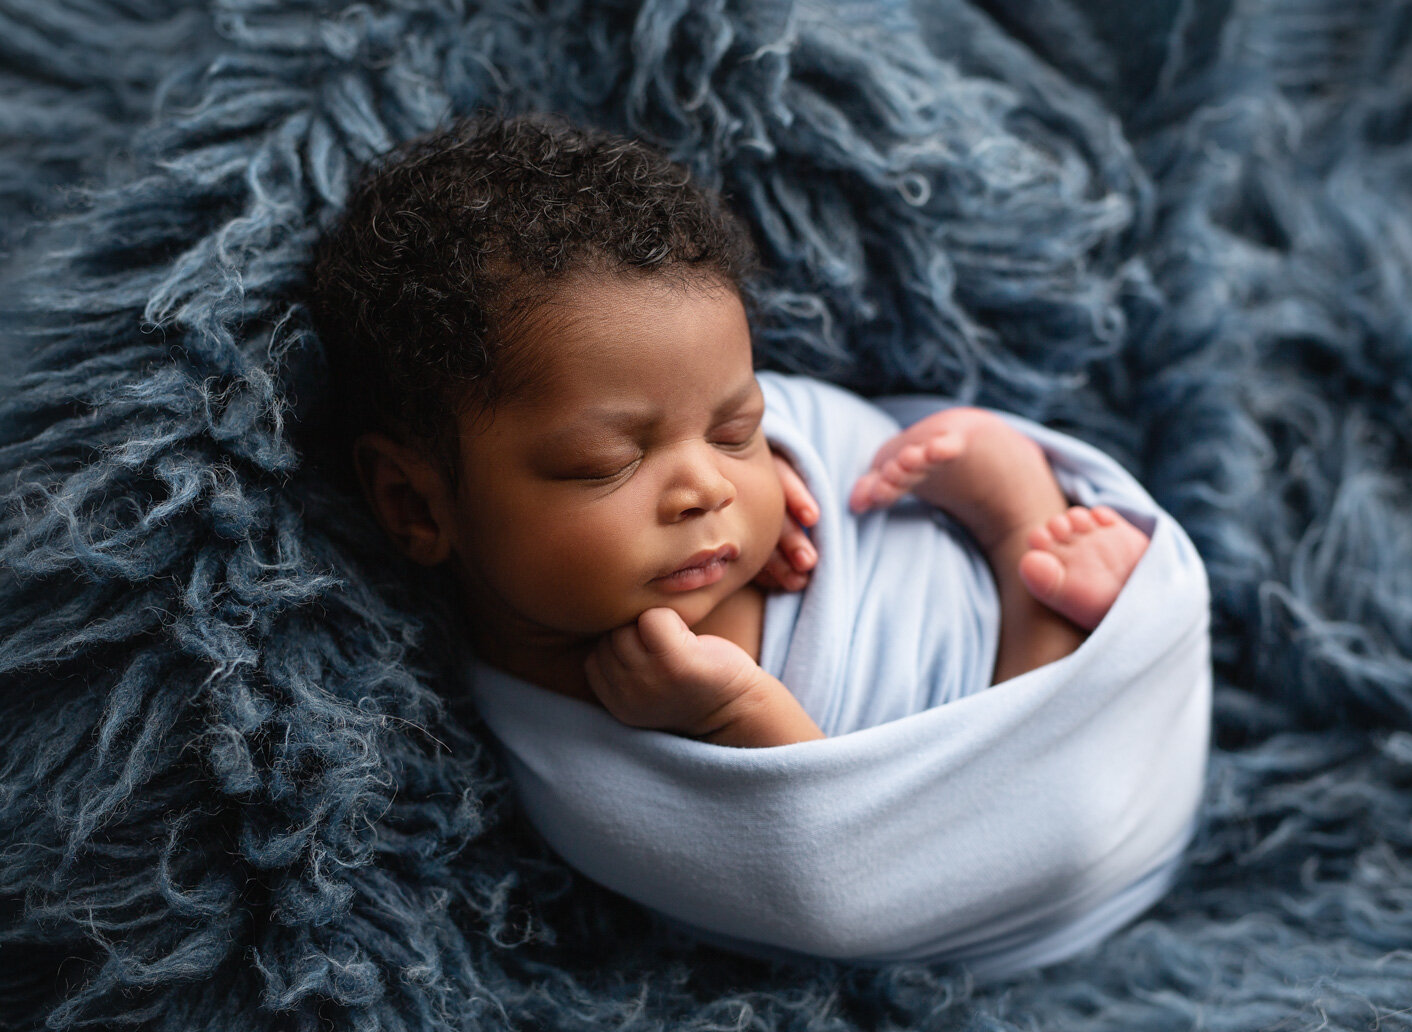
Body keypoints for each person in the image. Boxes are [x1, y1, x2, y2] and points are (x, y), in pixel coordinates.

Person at [310, 111, 1149, 749]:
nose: (706, 487)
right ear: (416, 506)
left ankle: (1022, 540)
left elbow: (816, 433)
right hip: (986, 789)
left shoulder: (730, 463)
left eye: (733, 429)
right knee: (1018, 755)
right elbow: (834, 866)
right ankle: (1042, 580)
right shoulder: (562, 724)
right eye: (608, 462)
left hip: (963, 626)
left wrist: (782, 458)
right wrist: (735, 714)